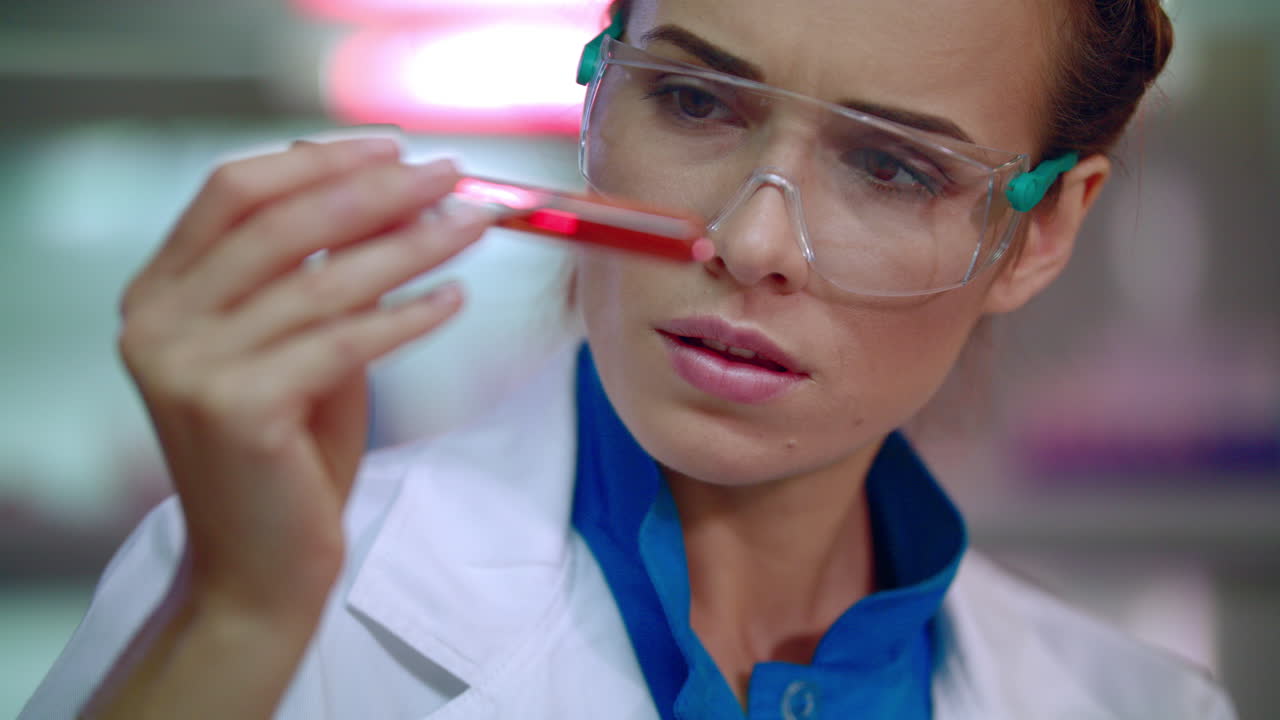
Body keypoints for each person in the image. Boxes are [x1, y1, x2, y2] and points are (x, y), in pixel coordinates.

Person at [23, 0, 1238, 718]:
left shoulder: (1137, 703)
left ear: (1042, 230)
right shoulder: (243, 597)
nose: (750, 242)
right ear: (601, 83)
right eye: (696, 102)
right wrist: (236, 625)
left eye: (892, 167)